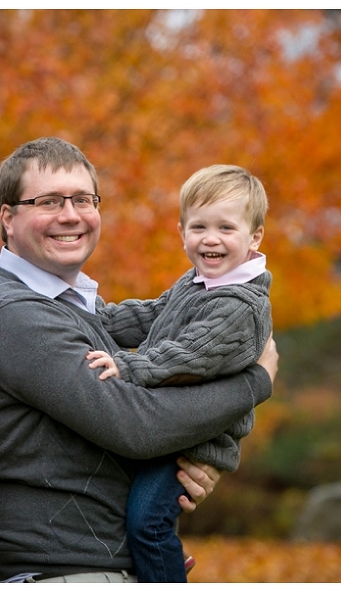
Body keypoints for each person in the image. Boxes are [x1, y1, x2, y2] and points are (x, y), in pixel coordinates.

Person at [0, 137, 278, 583]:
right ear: (8, 218)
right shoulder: (14, 314)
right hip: (67, 572)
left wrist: (187, 469)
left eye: (83, 199)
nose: (70, 214)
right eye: (48, 201)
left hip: (98, 565)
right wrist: (256, 382)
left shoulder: (67, 303)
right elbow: (137, 426)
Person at [86, 164, 272, 582]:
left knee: (147, 525)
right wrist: (98, 318)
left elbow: (190, 357)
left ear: (254, 236)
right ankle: (162, 563)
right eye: (198, 227)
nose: (210, 239)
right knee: (125, 514)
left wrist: (126, 365)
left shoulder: (240, 305)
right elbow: (154, 314)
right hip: (167, 429)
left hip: (192, 446)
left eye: (226, 227)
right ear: (181, 231)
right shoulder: (198, 282)